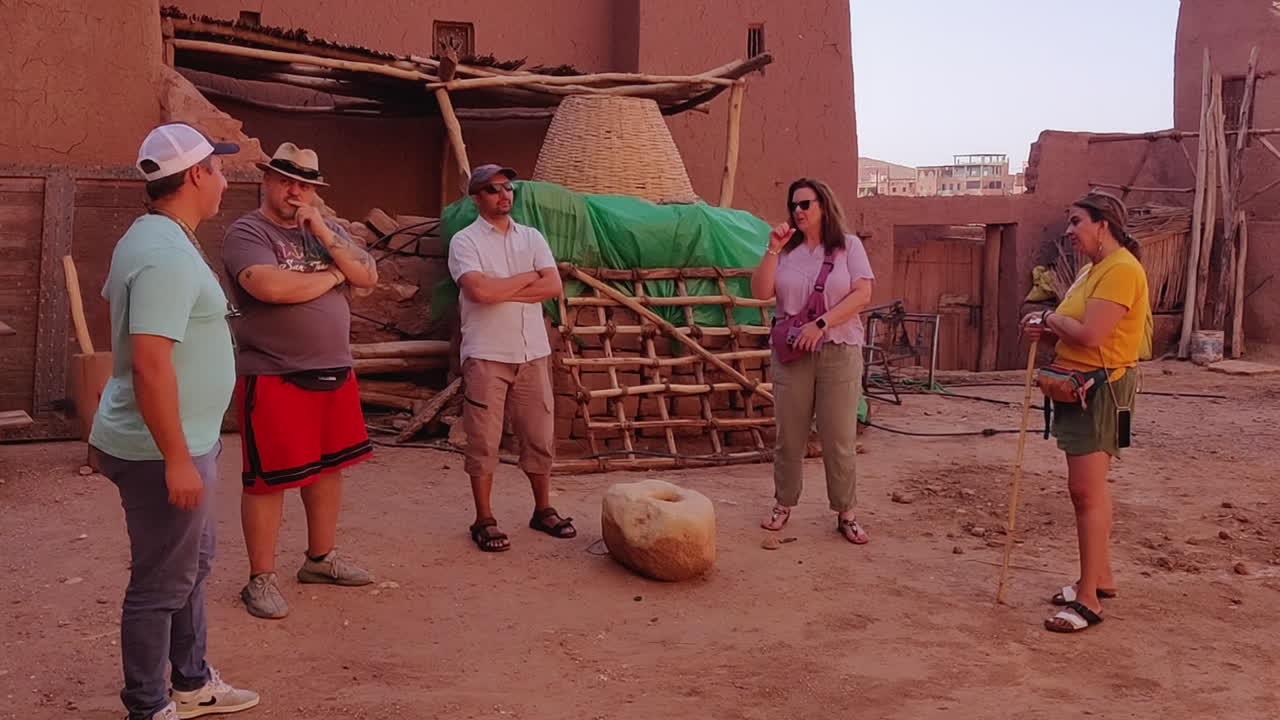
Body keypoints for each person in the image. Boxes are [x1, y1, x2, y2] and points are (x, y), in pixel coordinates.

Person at [90, 123, 259, 719]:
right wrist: (179, 458)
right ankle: (148, 705)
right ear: (195, 175)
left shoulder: (160, 236)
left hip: (182, 440)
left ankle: (190, 682)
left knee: (193, 563)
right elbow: (151, 363)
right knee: (161, 582)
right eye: (218, 167)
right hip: (162, 448)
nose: (224, 179)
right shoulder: (163, 253)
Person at [222, 142, 379, 619]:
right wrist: (335, 277)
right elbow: (268, 287)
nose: (295, 191)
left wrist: (326, 238)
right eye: (287, 181)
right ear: (266, 181)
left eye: (305, 184)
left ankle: (320, 558)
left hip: (332, 368)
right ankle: (260, 578)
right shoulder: (246, 231)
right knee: (268, 480)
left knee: (329, 467)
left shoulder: (323, 228)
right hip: (274, 371)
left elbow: (368, 275)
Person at [1022, 190, 1151, 633]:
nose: (1070, 230)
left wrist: (1049, 319)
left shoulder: (1120, 271)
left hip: (1102, 390)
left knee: (1086, 492)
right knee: (1089, 490)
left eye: (1077, 221)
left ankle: (1089, 599)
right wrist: (1050, 322)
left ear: (1103, 224)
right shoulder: (1091, 271)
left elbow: (1092, 334)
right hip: (1078, 387)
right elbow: (1070, 324)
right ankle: (1099, 577)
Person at [448, 164, 574, 552]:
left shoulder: (532, 236)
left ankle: (543, 509)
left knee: (539, 435)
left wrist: (501, 287)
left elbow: (552, 286)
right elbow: (478, 294)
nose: (504, 195)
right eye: (492, 189)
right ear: (476, 198)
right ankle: (484, 518)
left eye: (508, 187)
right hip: (488, 353)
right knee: (484, 439)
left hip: (532, 352)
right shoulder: (464, 241)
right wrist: (525, 279)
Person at [751, 178, 875, 544]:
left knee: (839, 436)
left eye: (805, 204)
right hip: (793, 352)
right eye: (793, 205)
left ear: (824, 205)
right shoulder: (787, 251)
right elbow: (760, 292)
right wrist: (772, 249)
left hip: (838, 347)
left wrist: (820, 324)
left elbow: (863, 293)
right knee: (790, 434)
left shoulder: (848, 247)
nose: (798, 212)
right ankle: (783, 503)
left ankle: (846, 512)